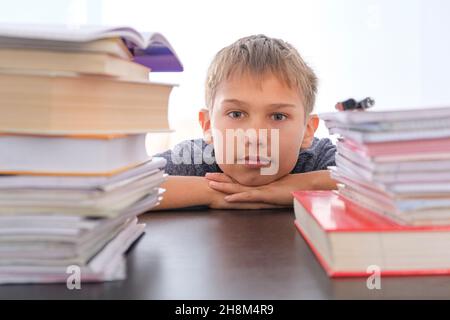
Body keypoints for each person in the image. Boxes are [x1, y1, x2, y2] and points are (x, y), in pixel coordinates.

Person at [153, 34, 337, 210]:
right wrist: (212, 192)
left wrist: (302, 185)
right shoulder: (195, 157)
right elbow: (126, 187)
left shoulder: (317, 156)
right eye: (236, 114)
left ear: (307, 131)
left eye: (278, 116)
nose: (255, 136)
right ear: (208, 125)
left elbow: (364, 183)